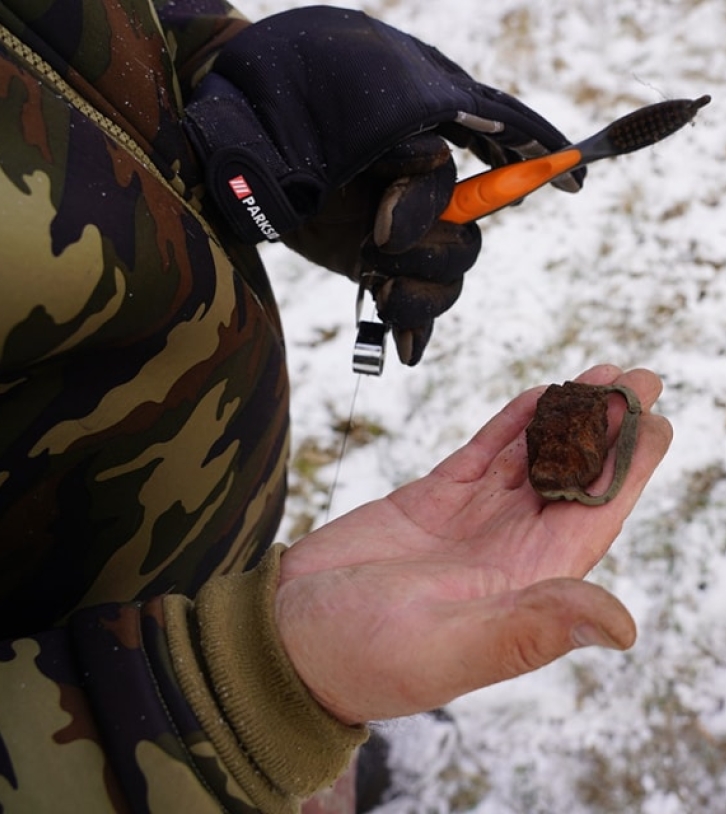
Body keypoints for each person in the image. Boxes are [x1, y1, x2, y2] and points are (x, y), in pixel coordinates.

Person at [0, 0, 673, 811]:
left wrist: (233, 80)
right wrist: (236, 700)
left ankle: (321, 766)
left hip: (208, 538)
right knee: (289, 732)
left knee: (321, 727)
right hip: (98, 702)